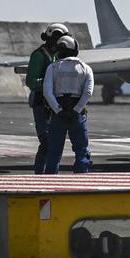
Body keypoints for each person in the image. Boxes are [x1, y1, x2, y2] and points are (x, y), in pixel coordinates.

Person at [41, 35, 93, 174]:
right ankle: (81, 184)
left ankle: (49, 184)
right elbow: (88, 93)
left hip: (58, 111)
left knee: (54, 152)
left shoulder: (52, 67)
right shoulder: (85, 68)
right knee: (81, 152)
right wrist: (76, 110)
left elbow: (47, 92)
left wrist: (59, 110)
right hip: (78, 113)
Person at [26, 23, 67, 173]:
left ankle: (51, 175)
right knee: (47, 142)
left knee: (56, 142)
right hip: (41, 103)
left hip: (57, 103)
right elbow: (31, 81)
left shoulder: (60, 56)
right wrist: (50, 82)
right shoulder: (39, 55)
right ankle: (41, 175)